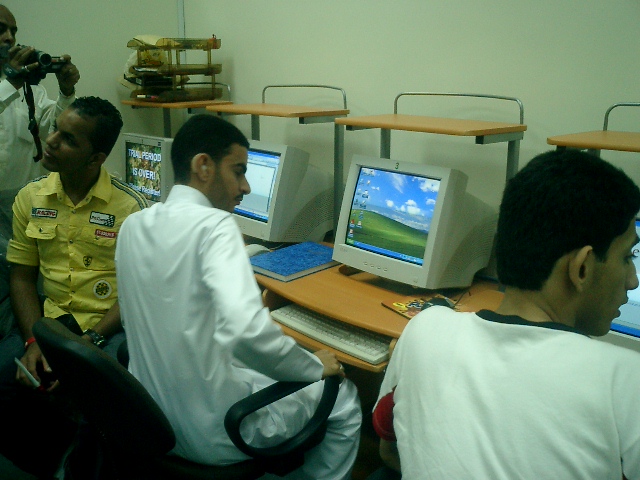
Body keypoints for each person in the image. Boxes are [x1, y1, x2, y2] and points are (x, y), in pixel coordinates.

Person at [115, 114, 362, 479]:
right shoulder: (215, 226)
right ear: (203, 166)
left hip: (153, 422)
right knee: (344, 396)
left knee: (255, 368)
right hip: (218, 433)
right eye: (238, 171)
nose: (245, 187)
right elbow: (247, 334)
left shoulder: (134, 225)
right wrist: (314, 366)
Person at [374, 149, 640, 479]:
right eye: (627, 257)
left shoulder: (424, 328)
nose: (633, 280)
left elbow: (390, 452)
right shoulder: (625, 379)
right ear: (582, 268)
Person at [0, 96, 147, 478]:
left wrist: (88, 344)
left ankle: (85, 465)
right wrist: (34, 341)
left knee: (105, 393)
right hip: (48, 323)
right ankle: (45, 462)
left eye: (68, 139)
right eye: (55, 130)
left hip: (106, 328)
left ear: (95, 158)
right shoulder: (30, 197)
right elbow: (21, 277)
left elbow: (137, 293)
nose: (50, 141)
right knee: (5, 375)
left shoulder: (131, 210)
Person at [0, 3, 80, 192]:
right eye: (1, 29)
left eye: (13, 32)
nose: (9, 38)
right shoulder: (14, 84)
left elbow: (55, 128)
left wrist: (66, 91)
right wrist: (11, 84)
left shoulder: (29, 88)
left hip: (22, 198)